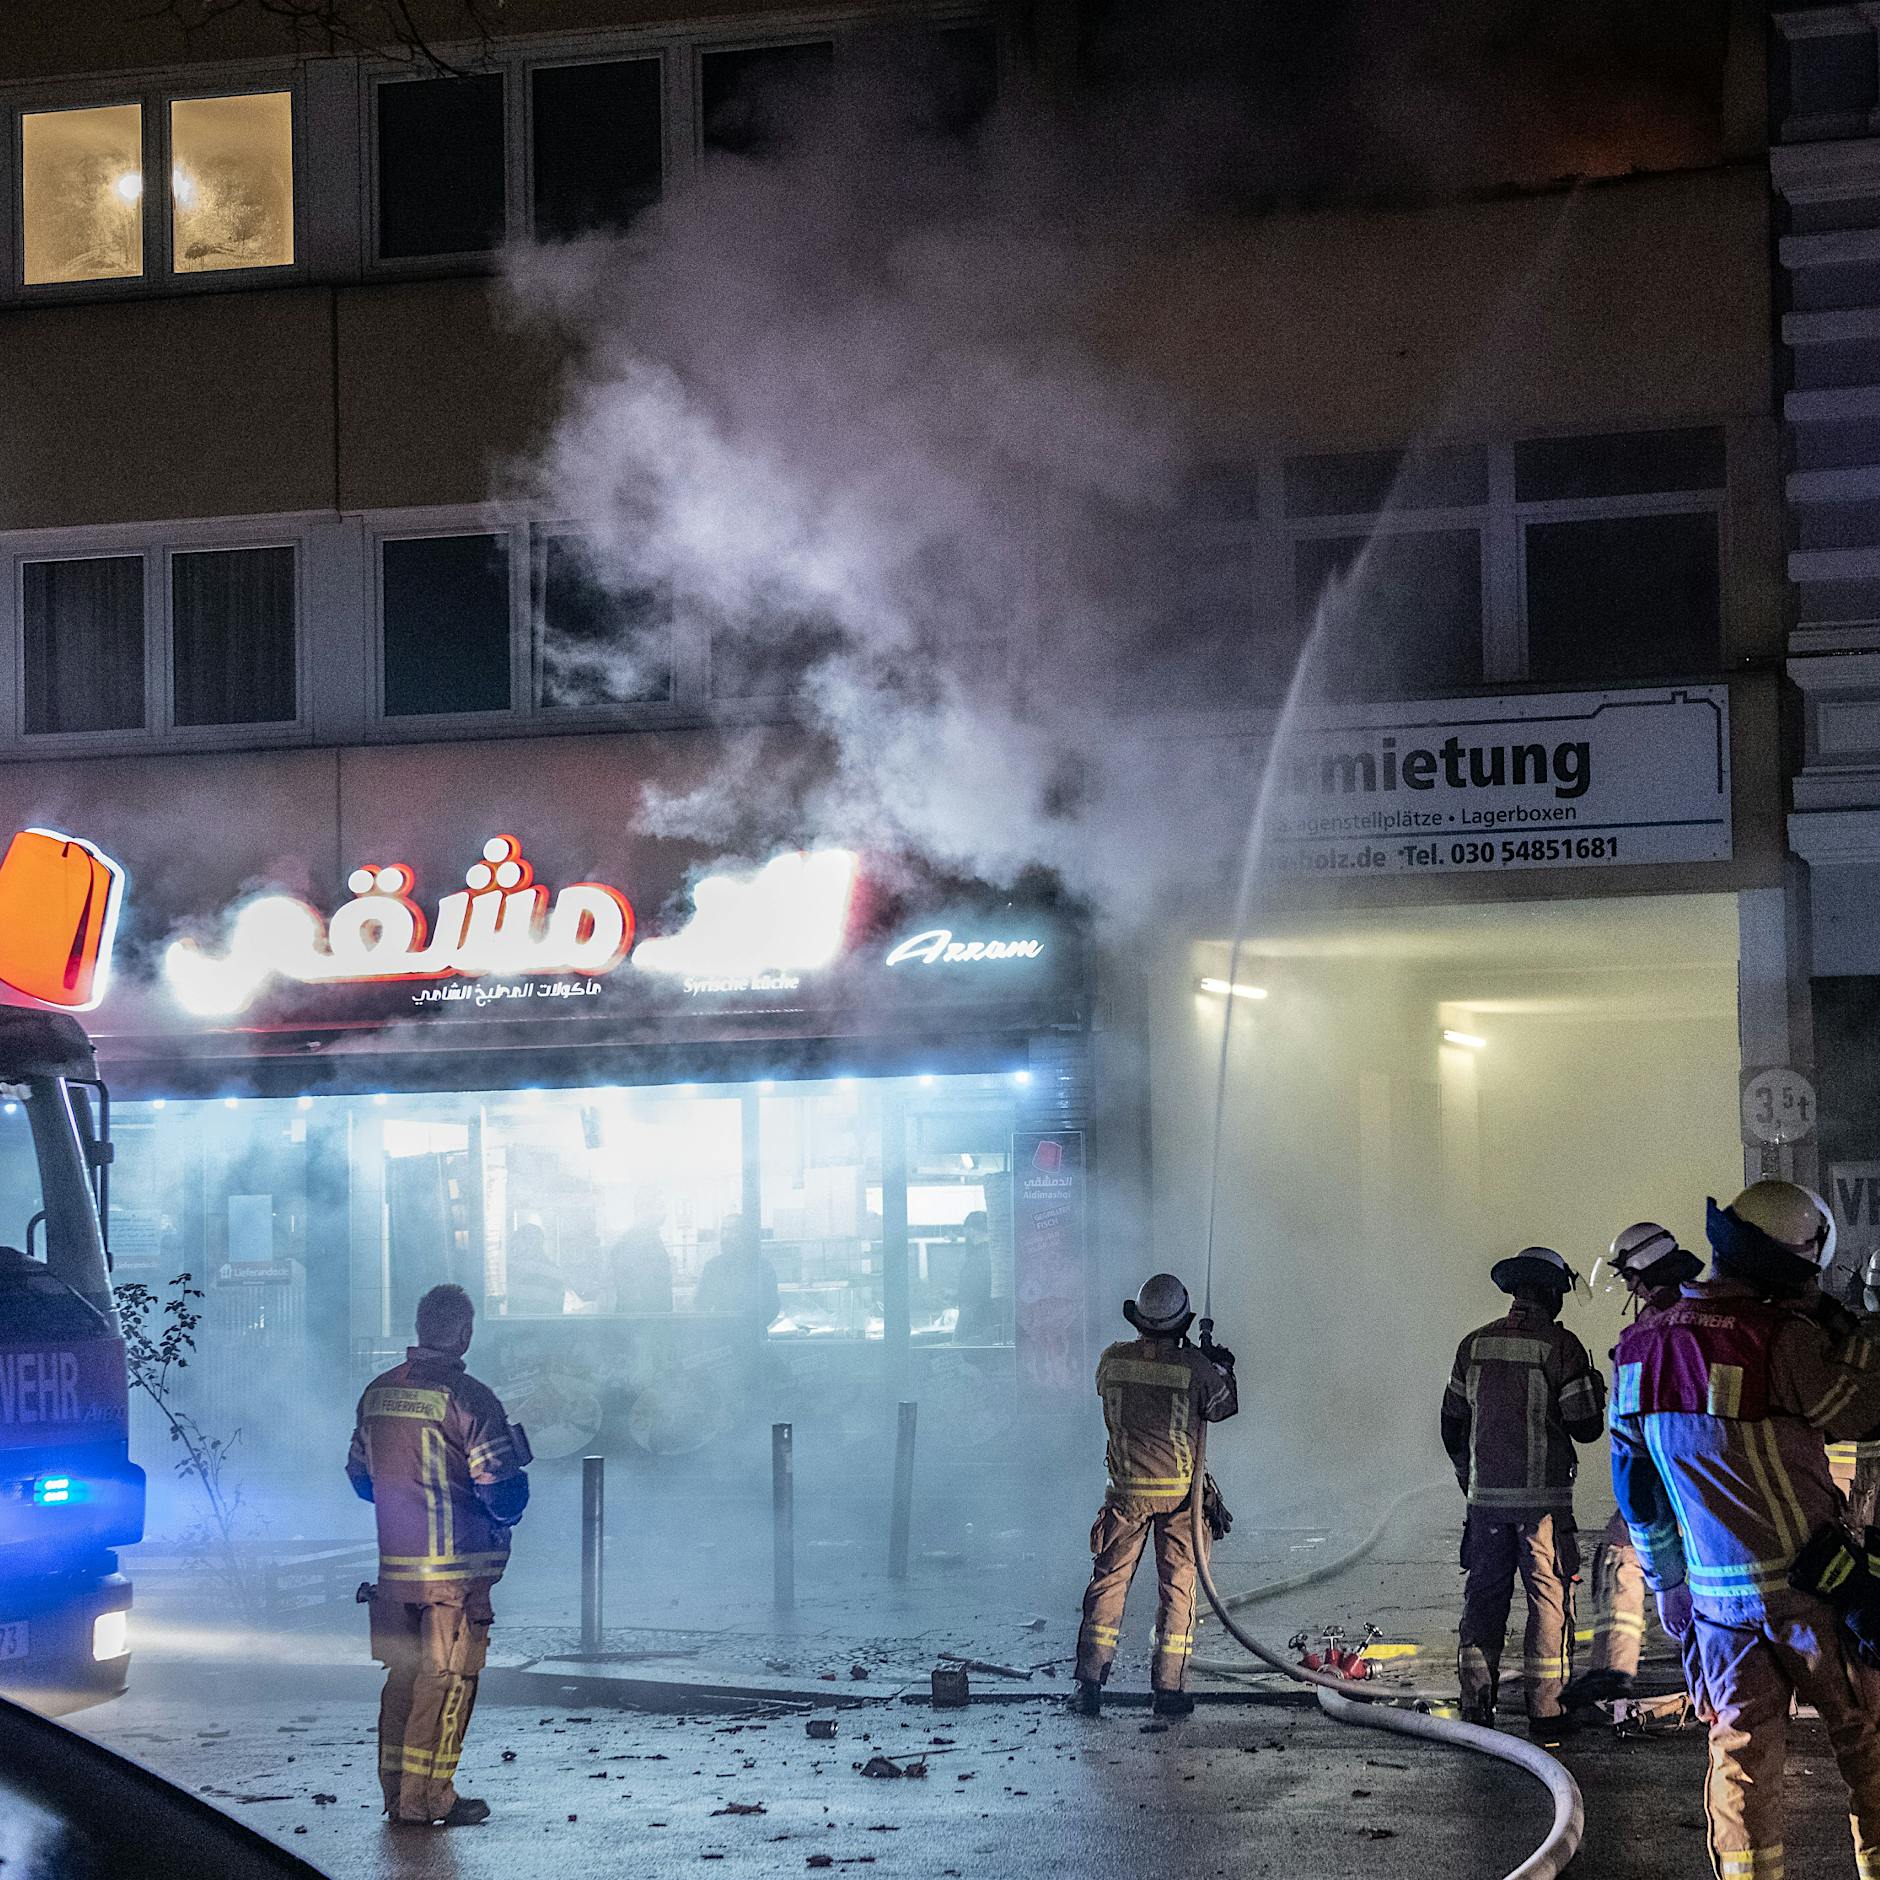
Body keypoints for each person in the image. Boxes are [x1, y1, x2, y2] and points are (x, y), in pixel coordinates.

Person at [1610, 1180, 1880, 1879]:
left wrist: (1668, 1582)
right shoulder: (1783, 1340)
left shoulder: (1636, 1349)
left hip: (1715, 1609)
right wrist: (1857, 1330)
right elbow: (1861, 1410)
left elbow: (1636, 1487)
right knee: (1869, 1745)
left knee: (1740, 1764)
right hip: (1814, 1595)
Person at [346, 1283, 531, 1828]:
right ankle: (430, 1799)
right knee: (447, 1685)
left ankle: (397, 1794)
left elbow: (361, 1479)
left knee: (402, 1682)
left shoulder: (377, 1393)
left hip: (395, 1574)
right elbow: (501, 1493)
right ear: (465, 1333)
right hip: (455, 1577)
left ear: (421, 1326)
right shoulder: (469, 1399)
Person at [1442, 1245, 1606, 1743]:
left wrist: (1470, 1477)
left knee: (1484, 1600)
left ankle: (1476, 1706)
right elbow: (1586, 1427)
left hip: (1485, 1505)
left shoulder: (1474, 1344)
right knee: (1548, 1604)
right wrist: (1594, 1388)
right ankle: (1547, 1713)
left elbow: (1451, 1422)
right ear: (1552, 1294)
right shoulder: (1561, 1346)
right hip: (1543, 1513)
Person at [1072, 1272, 1237, 1719]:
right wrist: (1219, 1365)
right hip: (1181, 1496)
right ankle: (1168, 1690)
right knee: (1178, 1589)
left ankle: (1089, 1684)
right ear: (1182, 1323)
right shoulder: (1193, 1368)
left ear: (1140, 1320)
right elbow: (1222, 1406)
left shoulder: (1112, 1360)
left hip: (1125, 1495)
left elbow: (1114, 1388)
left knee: (1107, 1584)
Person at [1563, 1221, 1706, 1713]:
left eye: (1628, 1277)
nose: (1628, 1287)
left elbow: (1629, 1444)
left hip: (1667, 1475)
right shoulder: (1715, 1312)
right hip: (1721, 1474)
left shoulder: (1643, 1338)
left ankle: (1621, 1670)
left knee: (1626, 1554)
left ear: (1643, 1273)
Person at [694, 1212, 780, 1334]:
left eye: (732, 1231)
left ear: (744, 1236)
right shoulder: (712, 1267)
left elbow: (772, 1306)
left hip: (752, 1337)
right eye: (723, 1231)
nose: (725, 1237)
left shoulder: (762, 1267)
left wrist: (749, 1327)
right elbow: (701, 1305)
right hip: (722, 1336)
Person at [608, 1204, 675, 1315]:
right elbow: (631, 1286)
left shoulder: (651, 1239)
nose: (664, 1213)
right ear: (645, 1211)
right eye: (659, 1206)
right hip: (642, 1314)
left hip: (653, 1312)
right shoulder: (634, 1241)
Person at [503, 1221, 564, 1316]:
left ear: (530, 1243)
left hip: (516, 1323)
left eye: (516, 1244)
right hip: (546, 1323)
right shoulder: (556, 1271)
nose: (514, 1248)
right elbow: (558, 1309)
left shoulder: (515, 1268)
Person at [953, 1210, 995, 1344]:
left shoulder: (975, 1259)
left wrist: (958, 1336)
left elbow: (970, 1301)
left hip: (975, 1328)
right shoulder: (995, 1255)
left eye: (965, 1231)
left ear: (971, 1231)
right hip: (992, 1325)